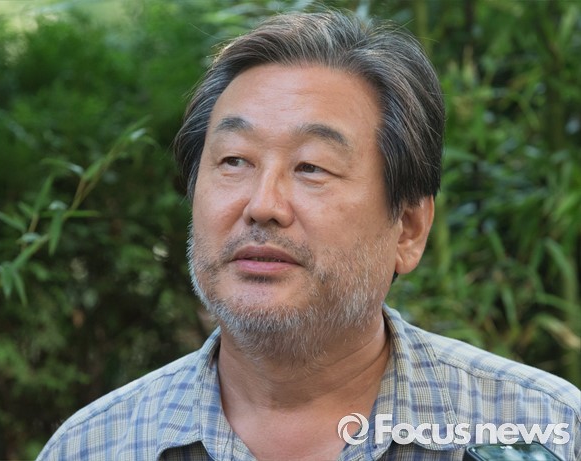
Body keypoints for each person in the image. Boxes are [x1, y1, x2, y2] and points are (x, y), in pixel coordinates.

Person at [37, 10, 580, 461]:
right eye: (234, 160)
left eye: (312, 167)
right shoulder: (93, 447)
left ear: (408, 229)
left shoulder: (544, 431)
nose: (262, 205)